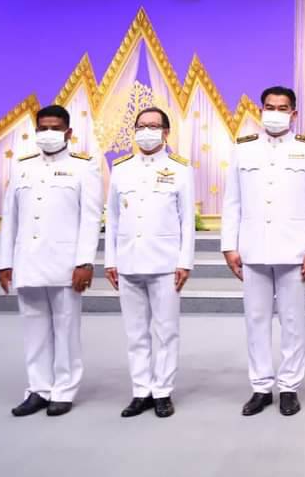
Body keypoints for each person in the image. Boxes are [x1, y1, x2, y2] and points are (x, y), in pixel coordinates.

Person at [221, 86, 305, 417]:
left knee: (292, 321)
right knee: (255, 320)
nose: (275, 113)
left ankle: (289, 387)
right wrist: (229, 245)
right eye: (270, 107)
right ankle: (260, 387)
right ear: (261, 110)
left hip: (294, 250)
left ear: (294, 113)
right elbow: (232, 201)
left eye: (283, 108)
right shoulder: (244, 148)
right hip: (252, 248)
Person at [0, 104, 103, 417]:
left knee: (66, 328)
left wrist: (85, 262)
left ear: (68, 132)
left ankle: (64, 390)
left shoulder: (84, 167)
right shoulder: (22, 167)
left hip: (65, 263)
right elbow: (10, 218)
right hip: (27, 261)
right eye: (42, 128)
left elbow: (90, 218)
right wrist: (5, 262)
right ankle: (39, 389)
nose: (48, 134)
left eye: (54, 128)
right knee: (34, 329)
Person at [105, 107, 195, 419]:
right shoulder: (121, 169)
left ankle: (162, 392)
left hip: (165, 263)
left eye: (154, 126)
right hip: (128, 261)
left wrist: (185, 261)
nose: (147, 131)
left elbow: (187, 220)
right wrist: (110, 260)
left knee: (166, 331)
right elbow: (112, 218)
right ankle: (140, 391)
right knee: (135, 333)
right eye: (141, 126)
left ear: (166, 132)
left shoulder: (180, 169)